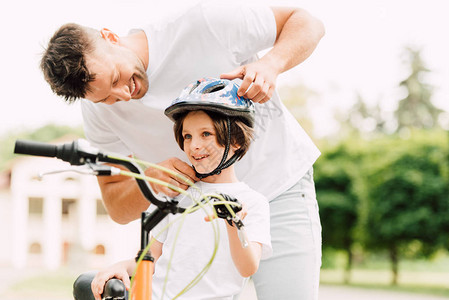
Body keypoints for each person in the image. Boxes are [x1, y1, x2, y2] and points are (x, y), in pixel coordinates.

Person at [41, 1, 325, 299]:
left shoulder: (203, 23)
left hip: (279, 186)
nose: (124, 95)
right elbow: (116, 203)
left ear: (110, 37)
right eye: (106, 98)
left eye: (116, 78)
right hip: (197, 210)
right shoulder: (98, 114)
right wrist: (150, 179)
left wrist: (271, 64)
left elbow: (306, 22)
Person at [90, 78, 272, 300]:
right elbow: (151, 258)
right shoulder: (177, 193)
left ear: (236, 139)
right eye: (188, 136)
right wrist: (122, 267)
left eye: (206, 134)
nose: (194, 145)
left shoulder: (252, 202)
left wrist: (235, 225)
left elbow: (248, 268)